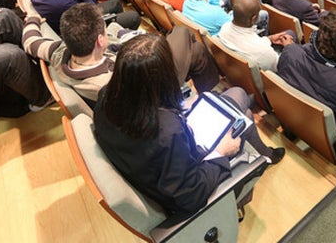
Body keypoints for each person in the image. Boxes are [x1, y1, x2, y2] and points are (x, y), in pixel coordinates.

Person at [93, 33, 283, 216]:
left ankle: (261, 143)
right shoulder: (167, 131)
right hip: (186, 185)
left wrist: (178, 113)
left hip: (154, 164)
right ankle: (264, 155)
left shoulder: (106, 97)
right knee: (241, 112)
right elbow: (190, 195)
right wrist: (220, 153)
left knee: (238, 103)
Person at [23, 3, 219, 101]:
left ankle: (212, 96)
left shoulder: (60, 53)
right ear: (100, 40)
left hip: (140, 73)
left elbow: (30, 42)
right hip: (156, 87)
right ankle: (213, 98)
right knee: (182, 32)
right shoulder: (112, 82)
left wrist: (31, 19)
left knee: (196, 51)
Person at [218, 0, 295, 73]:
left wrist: (269, 39)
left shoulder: (224, 28)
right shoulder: (264, 52)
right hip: (268, 71)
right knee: (290, 34)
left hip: (237, 70)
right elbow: (280, 67)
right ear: (253, 18)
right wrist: (289, 48)